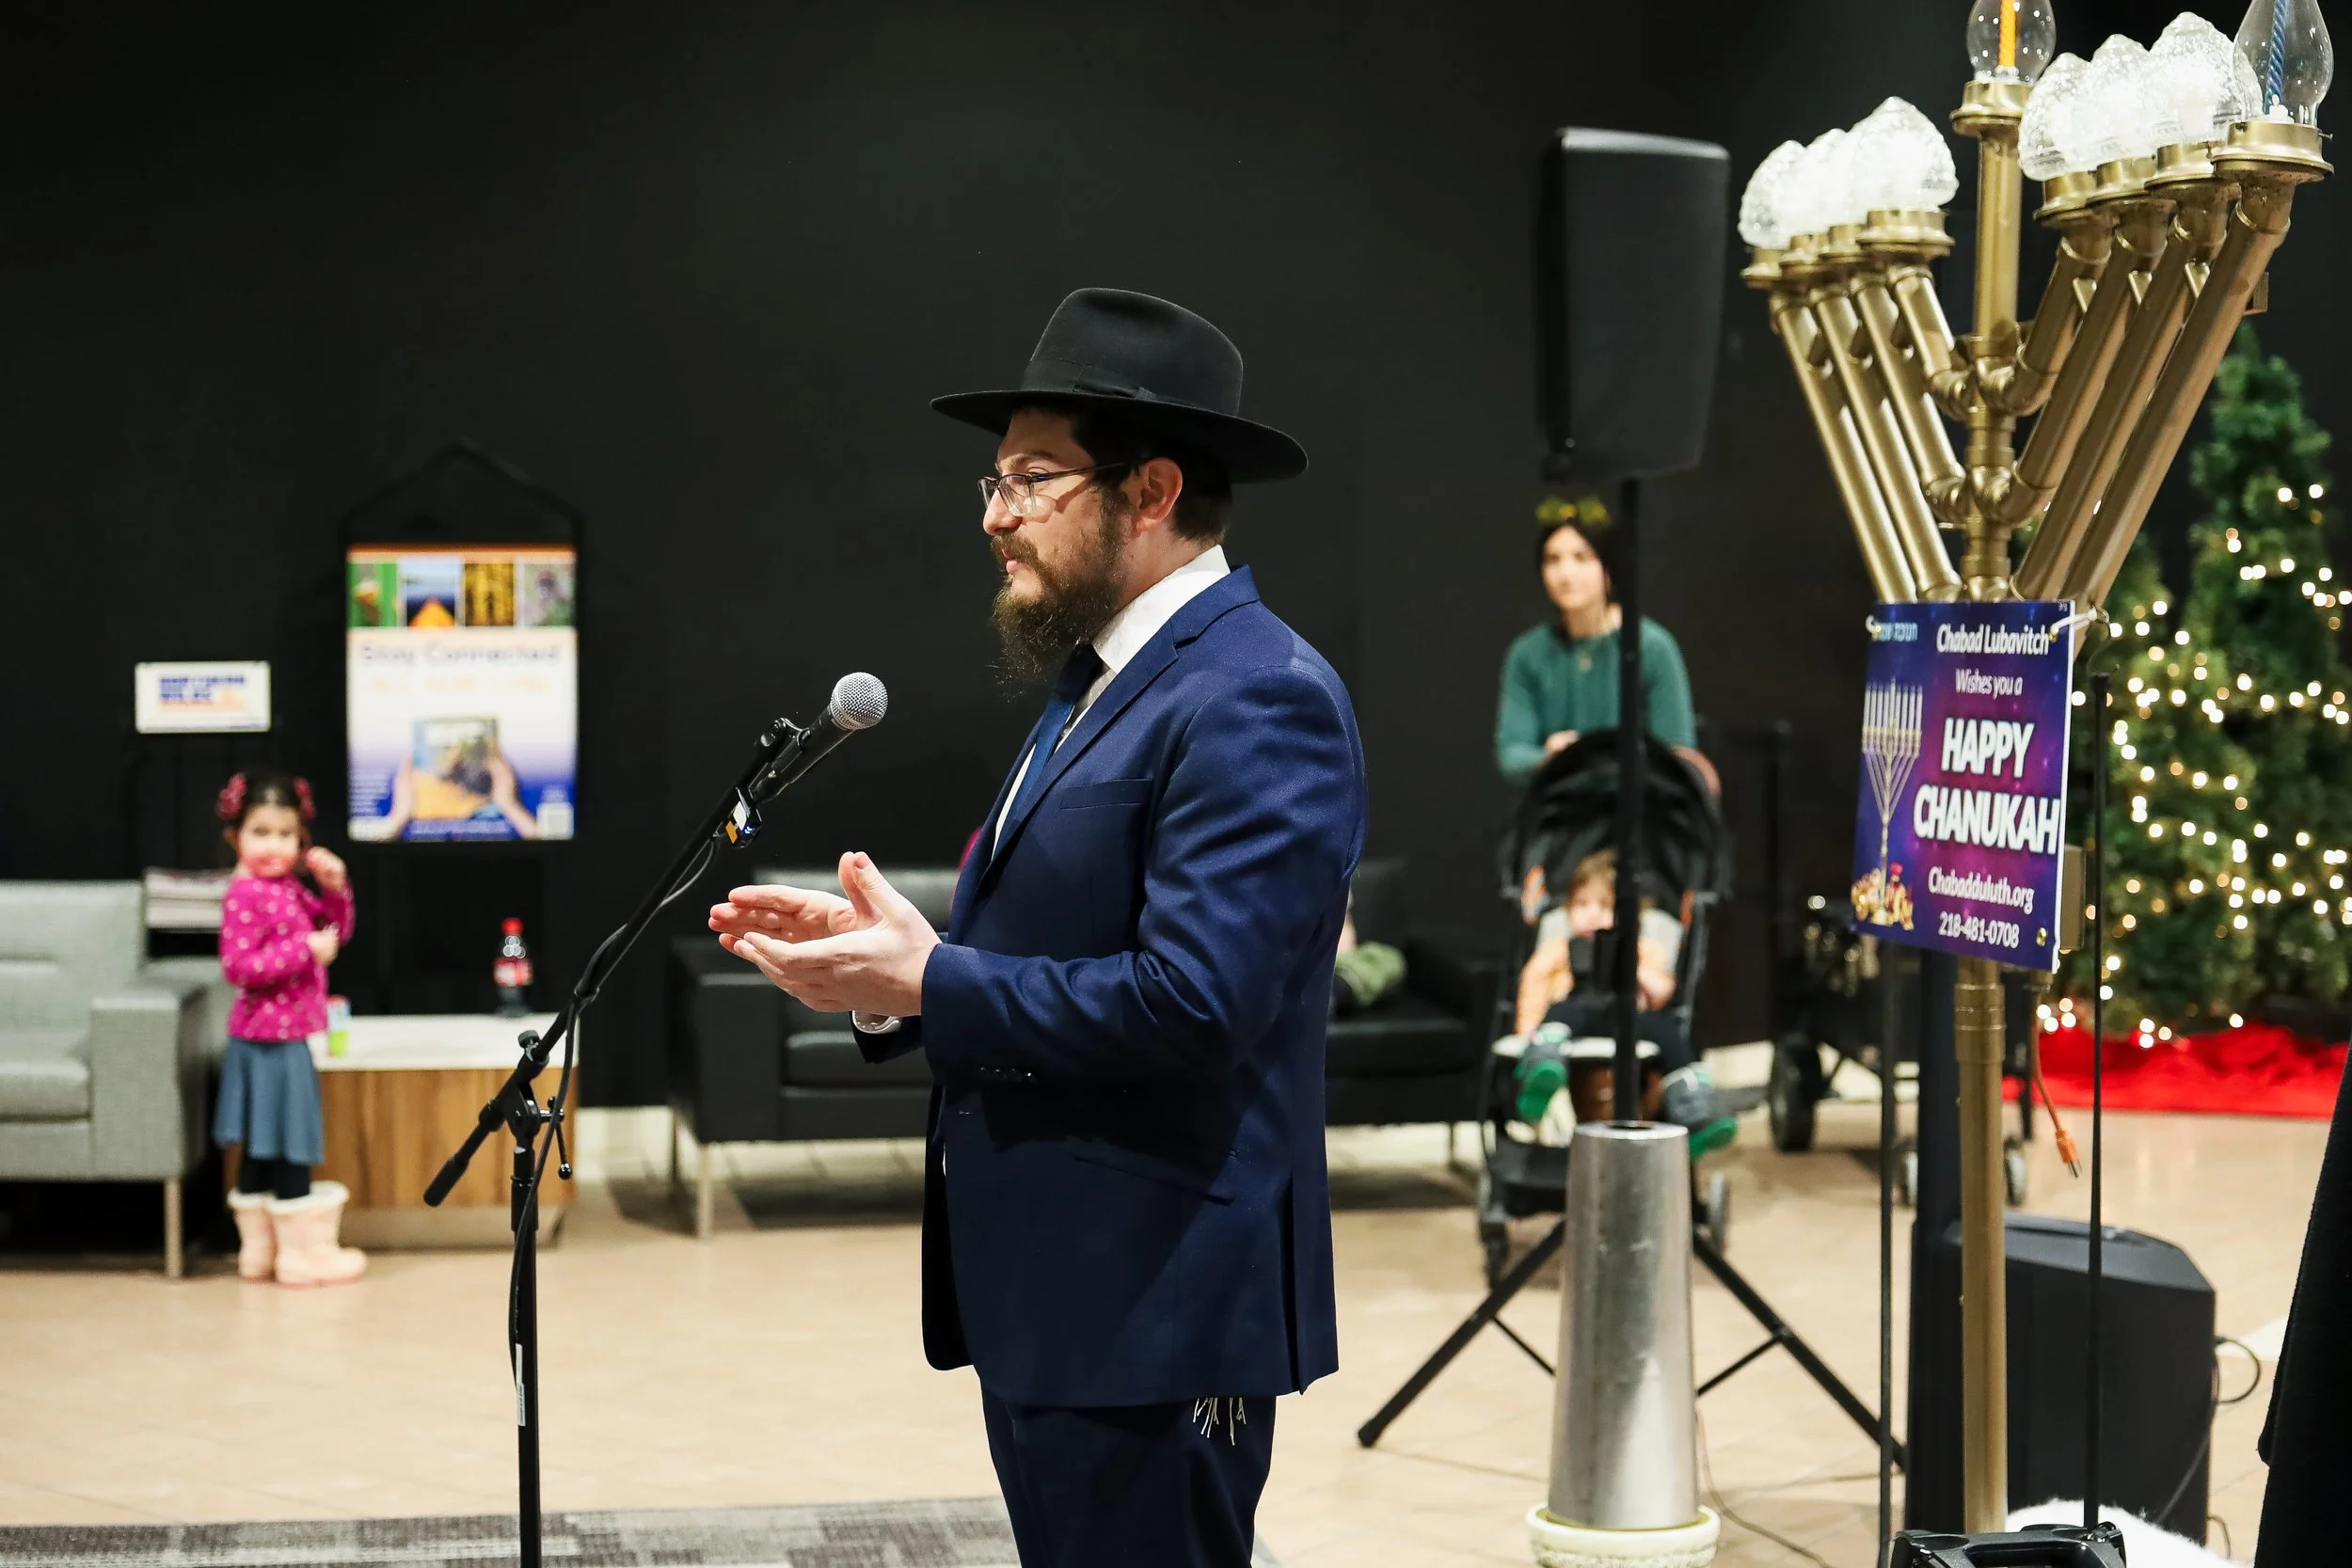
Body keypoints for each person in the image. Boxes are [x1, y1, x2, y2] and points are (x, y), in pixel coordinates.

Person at [708, 288, 1364, 1568]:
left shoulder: (1257, 696)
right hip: (1065, 1288)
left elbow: (1195, 1002)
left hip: (1157, 1300)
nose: (996, 512)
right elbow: (1060, 929)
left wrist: (937, 980)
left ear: (1154, 488)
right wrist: (887, 964)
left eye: (1033, 477)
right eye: (993, 479)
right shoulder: (1101, 676)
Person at [214, 769, 368, 1287]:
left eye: (285, 834)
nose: (273, 845)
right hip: (268, 1041)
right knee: (290, 1142)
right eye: (261, 832)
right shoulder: (245, 893)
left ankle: (261, 1255)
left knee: (264, 1145)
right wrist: (302, 950)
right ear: (236, 836)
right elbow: (238, 967)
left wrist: (335, 888)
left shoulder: (288, 889)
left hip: (280, 1037)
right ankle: (301, 1257)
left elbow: (337, 932)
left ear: (301, 840)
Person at [1513, 850, 1736, 1155]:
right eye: (1581, 905)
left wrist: (1634, 967)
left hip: (1629, 1018)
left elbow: (1662, 991)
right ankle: (1543, 1066)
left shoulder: (1642, 949)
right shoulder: (1558, 949)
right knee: (1561, 1010)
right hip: (1576, 1017)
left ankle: (1693, 1108)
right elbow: (1534, 984)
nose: (1592, 914)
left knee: (1668, 1030)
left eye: (1604, 906)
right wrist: (1527, 1030)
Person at [1494, 497, 1698, 787]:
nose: (1566, 574)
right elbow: (1511, 754)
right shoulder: (1528, 653)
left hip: (1635, 809)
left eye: (1582, 558)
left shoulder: (1651, 647)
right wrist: (1549, 758)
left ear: (1608, 569)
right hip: (1557, 812)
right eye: (1553, 559)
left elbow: (1678, 754)